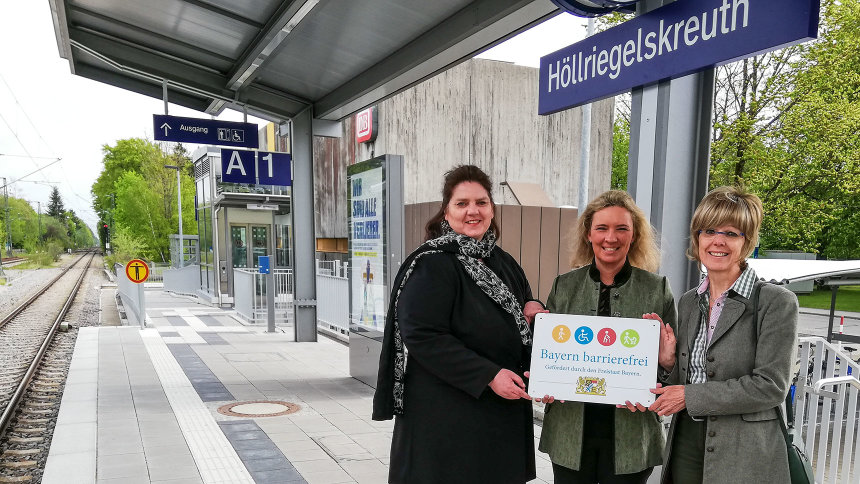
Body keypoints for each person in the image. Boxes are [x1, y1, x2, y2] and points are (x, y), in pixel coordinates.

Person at [372, 165, 545, 484]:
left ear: (492, 209)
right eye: (462, 203)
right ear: (446, 212)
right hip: (447, 418)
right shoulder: (432, 264)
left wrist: (534, 309)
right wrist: (488, 374)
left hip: (499, 414)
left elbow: (520, 313)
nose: (473, 211)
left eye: (481, 202)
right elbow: (423, 336)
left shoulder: (502, 260)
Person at [649, 186, 798, 484]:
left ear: (748, 241)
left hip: (745, 450)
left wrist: (689, 395)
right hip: (685, 441)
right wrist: (668, 364)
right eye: (709, 230)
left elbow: (770, 386)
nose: (718, 241)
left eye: (732, 233)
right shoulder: (690, 301)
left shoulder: (775, 301)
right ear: (697, 238)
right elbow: (687, 380)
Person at [537, 190, 677, 484]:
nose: (610, 238)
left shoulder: (657, 289)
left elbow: (673, 371)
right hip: (569, 432)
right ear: (588, 234)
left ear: (634, 235)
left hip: (631, 434)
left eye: (621, 228)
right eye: (602, 228)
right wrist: (544, 380)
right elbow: (548, 353)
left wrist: (666, 365)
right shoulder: (563, 286)